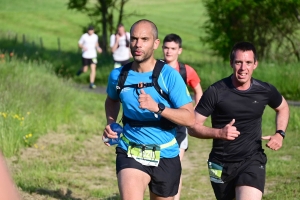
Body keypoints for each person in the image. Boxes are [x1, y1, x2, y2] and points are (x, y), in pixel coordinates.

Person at [103, 19, 195, 200]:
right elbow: (112, 100)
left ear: (155, 43)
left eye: (144, 39)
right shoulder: (118, 75)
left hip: (166, 153)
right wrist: (111, 123)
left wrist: (158, 108)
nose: (138, 44)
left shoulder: (169, 76)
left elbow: (189, 118)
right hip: (131, 149)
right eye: (134, 39)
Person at [188, 41, 290, 200]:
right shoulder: (216, 91)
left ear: (255, 64)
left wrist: (280, 133)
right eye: (238, 62)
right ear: (231, 63)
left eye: (248, 62)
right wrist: (219, 132)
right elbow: (192, 127)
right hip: (219, 163)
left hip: (252, 160)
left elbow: (283, 107)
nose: (243, 68)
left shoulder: (264, 90)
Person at [162, 33, 203, 200]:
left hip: (179, 124)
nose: (169, 52)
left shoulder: (187, 71)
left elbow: (198, 91)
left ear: (180, 50)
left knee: (174, 165)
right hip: (158, 122)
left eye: (173, 48)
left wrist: (196, 115)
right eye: (166, 48)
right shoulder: (155, 67)